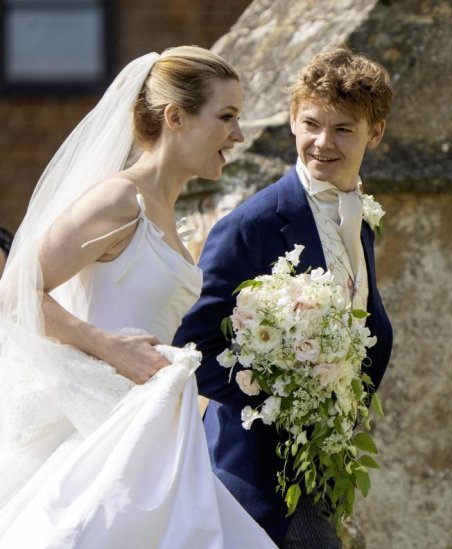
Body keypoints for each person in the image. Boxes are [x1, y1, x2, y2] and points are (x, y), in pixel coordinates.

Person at [0, 46, 275, 548]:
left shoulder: (166, 212)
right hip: (99, 435)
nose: (238, 135)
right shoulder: (119, 200)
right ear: (176, 117)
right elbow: (14, 294)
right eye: (226, 117)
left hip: (154, 434)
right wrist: (108, 346)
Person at [173, 46, 394, 548]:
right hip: (253, 482)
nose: (322, 142)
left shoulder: (361, 221)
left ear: (375, 133)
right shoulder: (250, 225)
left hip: (318, 478)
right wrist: (283, 399)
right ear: (293, 119)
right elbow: (190, 345)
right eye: (311, 124)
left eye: (343, 129)